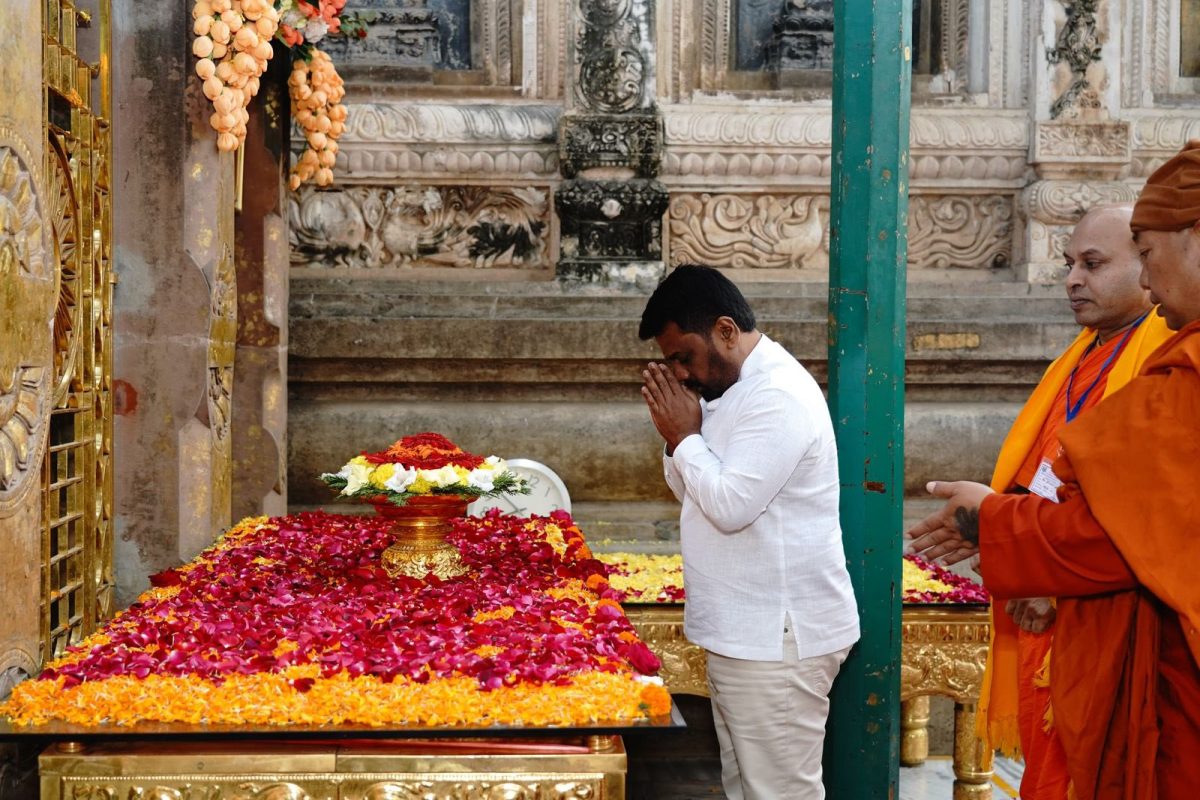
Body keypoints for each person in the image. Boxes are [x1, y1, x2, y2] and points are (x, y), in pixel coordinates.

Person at [906, 142, 1200, 800]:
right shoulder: (1107, 355)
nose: (1151, 286)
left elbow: (1120, 532)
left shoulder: (1178, 372)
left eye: (1145, 256)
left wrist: (998, 523)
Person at [637, 264, 859, 800]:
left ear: (726, 331)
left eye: (683, 357)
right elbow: (696, 492)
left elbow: (731, 505)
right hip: (748, 633)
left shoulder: (776, 394)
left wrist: (685, 435)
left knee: (779, 792)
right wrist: (678, 441)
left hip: (777, 638)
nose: (682, 375)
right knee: (748, 788)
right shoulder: (733, 389)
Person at [977, 204, 1172, 800]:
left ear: (1147, 265)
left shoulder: (1160, 359)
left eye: (1092, 264)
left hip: (1097, 605)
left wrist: (1052, 576)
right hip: (1043, 589)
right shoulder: (1085, 354)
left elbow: (1140, 503)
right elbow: (1040, 469)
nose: (1071, 280)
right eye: (1069, 264)